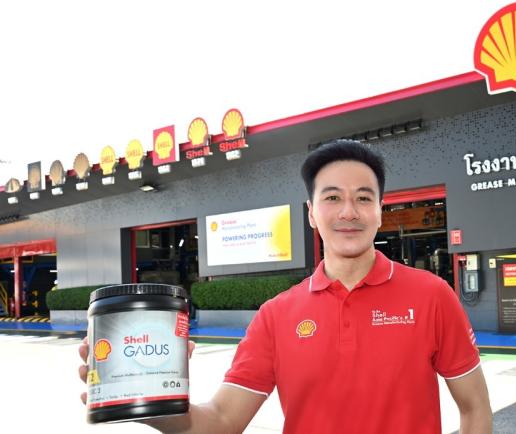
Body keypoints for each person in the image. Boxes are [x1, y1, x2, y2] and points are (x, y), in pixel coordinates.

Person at [78, 140, 492, 433]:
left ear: (380, 212)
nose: (349, 211)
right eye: (332, 198)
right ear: (311, 213)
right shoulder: (276, 316)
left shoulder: (432, 295)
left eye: (364, 198)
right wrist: (151, 401)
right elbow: (222, 421)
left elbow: (475, 409)